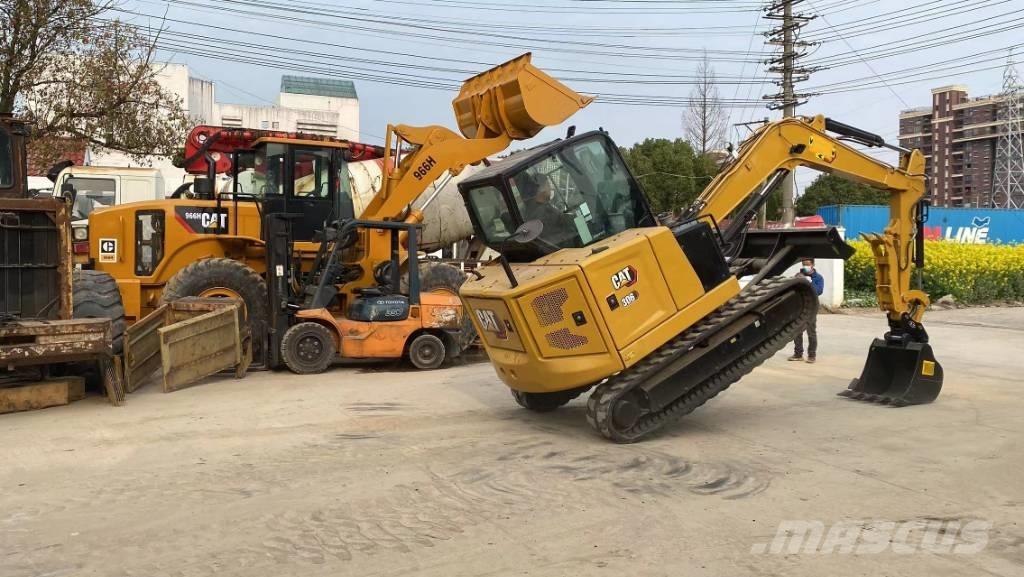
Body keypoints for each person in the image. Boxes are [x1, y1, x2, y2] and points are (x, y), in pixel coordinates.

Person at [789, 258, 824, 364]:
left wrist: (809, 284)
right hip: (799, 307)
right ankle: (798, 354)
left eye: (807, 264)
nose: (805, 266)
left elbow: (819, 291)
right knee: (797, 332)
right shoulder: (798, 275)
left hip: (811, 307)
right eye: (804, 264)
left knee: (811, 332)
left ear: (813, 264)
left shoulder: (818, 278)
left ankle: (812, 355)